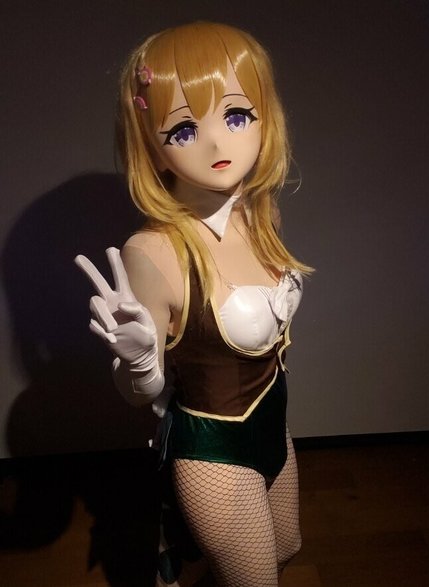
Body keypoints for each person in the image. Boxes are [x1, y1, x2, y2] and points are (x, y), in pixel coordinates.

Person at [76, 21, 313, 587]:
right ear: (151, 145)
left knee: (286, 549)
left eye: (237, 116)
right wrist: (140, 362)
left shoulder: (262, 215)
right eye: (183, 128)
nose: (215, 144)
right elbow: (145, 394)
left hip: (273, 424)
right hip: (213, 454)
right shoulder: (154, 252)